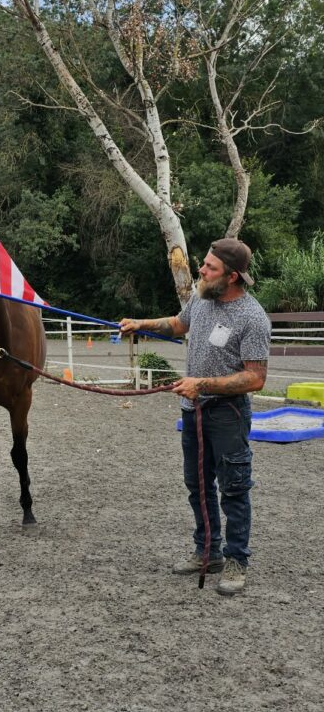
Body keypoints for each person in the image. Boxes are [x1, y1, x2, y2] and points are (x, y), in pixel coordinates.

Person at [120, 238, 271, 596]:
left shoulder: (252, 318)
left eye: (210, 268)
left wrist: (201, 384)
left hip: (228, 413)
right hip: (193, 412)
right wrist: (140, 324)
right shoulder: (201, 299)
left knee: (233, 489)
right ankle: (208, 552)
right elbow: (177, 324)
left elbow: (256, 378)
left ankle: (236, 561)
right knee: (198, 487)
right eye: (203, 264)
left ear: (232, 277)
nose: (201, 270)